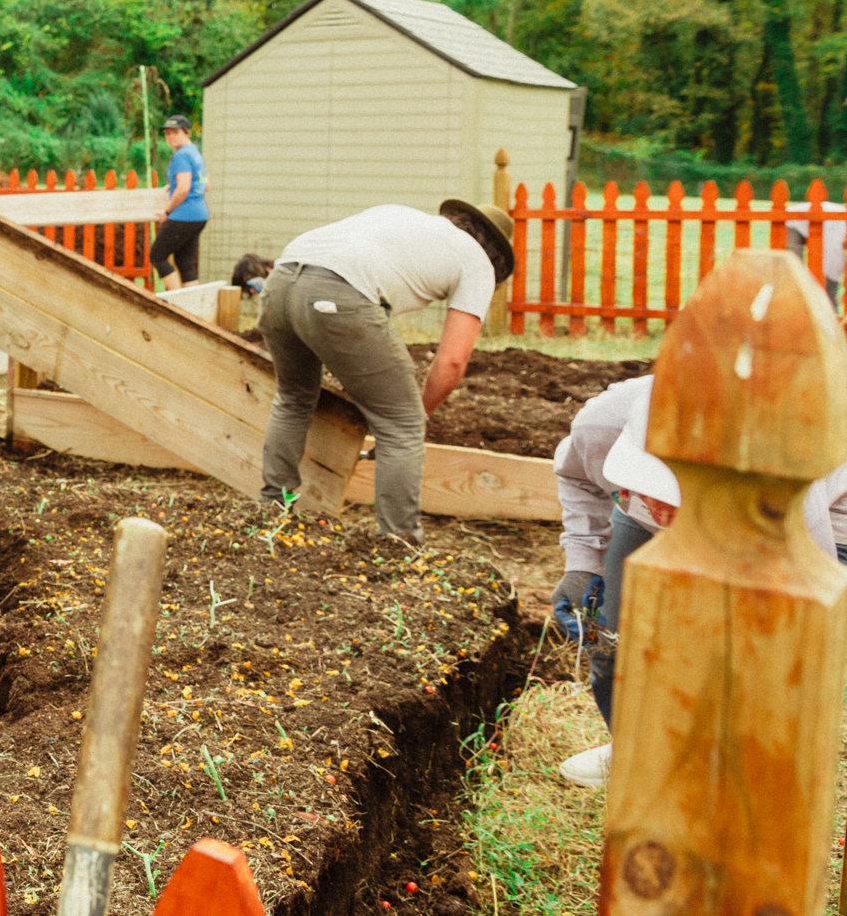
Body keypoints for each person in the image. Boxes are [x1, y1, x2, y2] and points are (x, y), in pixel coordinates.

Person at [548, 376, 847, 788]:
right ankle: (640, 752)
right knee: (613, 635)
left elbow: (804, 609)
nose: (665, 514)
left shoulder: (782, 477)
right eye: (654, 495)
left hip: (819, 510)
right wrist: (583, 562)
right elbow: (578, 478)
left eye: (678, 499)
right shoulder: (603, 426)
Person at [258, 199, 514, 543]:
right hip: (338, 292)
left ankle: (271, 513)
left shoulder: (405, 217)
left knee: (293, 399)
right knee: (403, 423)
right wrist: (416, 416)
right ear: (497, 256)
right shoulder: (478, 263)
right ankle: (399, 544)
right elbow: (453, 361)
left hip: (280, 281)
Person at [149, 115, 208, 290]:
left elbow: (183, 189)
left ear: (187, 132)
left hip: (184, 216)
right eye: (167, 133)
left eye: (175, 132)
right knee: (184, 261)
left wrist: (167, 212)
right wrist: (172, 184)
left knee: (157, 256)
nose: (170, 137)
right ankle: (193, 307)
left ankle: (178, 304)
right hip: (200, 215)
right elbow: (206, 183)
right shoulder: (194, 152)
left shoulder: (181, 156)